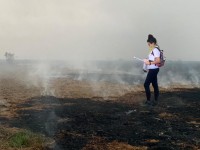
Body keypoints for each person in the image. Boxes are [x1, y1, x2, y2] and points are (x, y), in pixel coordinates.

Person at [143, 34, 161, 106]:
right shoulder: (153, 50)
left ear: (153, 43)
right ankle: (155, 100)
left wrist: (149, 62)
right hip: (153, 69)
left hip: (153, 69)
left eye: (149, 44)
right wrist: (147, 61)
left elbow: (158, 60)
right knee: (154, 84)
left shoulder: (155, 50)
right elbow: (153, 59)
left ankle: (148, 101)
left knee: (146, 84)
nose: (148, 45)